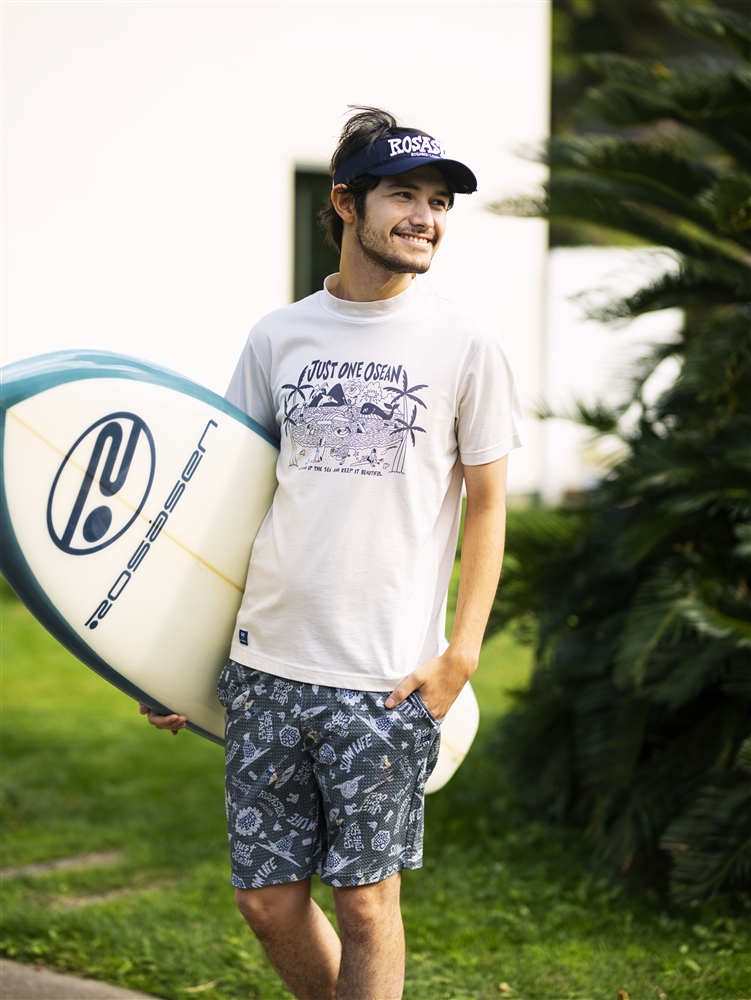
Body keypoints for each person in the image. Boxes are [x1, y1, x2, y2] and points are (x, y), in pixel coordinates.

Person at [142, 106, 526, 1000]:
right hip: (265, 669)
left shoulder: (467, 344)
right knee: (266, 901)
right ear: (346, 203)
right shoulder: (278, 336)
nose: (425, 217)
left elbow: (488, 507)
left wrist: (461, 656)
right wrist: (167, 656)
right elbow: (229, 499)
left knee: (365, 906)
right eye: (404, 196)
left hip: (382, 679)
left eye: (438, 202)